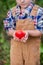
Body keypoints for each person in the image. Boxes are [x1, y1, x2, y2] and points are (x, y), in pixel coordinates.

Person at [3, 0, 43, 65]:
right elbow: (8, 29)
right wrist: (14, 33)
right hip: (16, 49)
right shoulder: (12, 12)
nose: (22, 1)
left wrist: (27, 33)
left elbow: (40, 30)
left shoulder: (39, 11)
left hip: (32, 49)